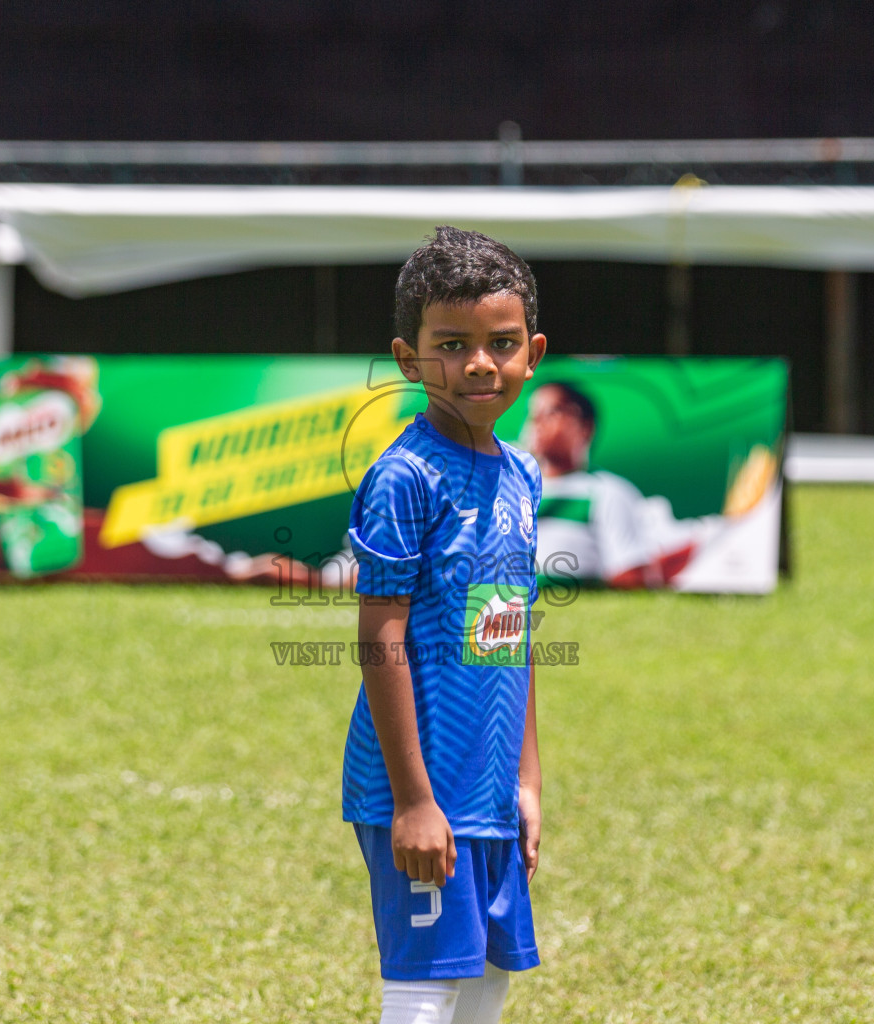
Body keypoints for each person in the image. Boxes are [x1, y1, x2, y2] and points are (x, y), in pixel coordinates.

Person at [343, 226, 547, 1024]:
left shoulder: (522, 473)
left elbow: (508, 630)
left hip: (490, 790)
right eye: (452, 344)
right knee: (427, 990)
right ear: (408, 358)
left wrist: (525, 781)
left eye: (500, 343)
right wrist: (413, 802)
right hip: (421, 789)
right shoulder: (405, 476)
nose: (478, 364)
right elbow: (379, 636)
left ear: (532, 351)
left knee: (488, 980)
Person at [524, 380, 733, 588]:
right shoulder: (508, 486)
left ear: (585, 427)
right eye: (534, 414)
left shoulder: (609, 492)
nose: (537, 423)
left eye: (552, 412)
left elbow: (629, 578)